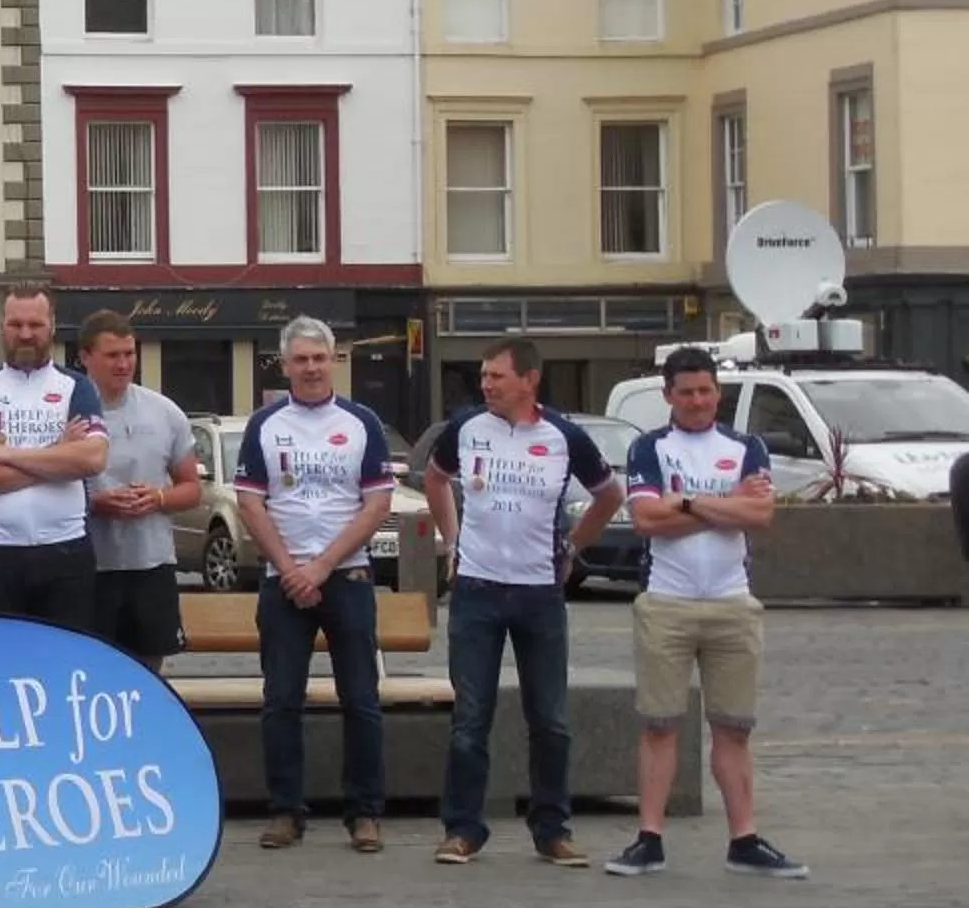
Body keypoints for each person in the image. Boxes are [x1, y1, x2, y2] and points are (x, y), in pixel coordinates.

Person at [423, 337, 625, 867]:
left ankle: (552, 829)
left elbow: (610, 494)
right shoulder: (465, 430)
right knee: (470, 718)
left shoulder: (564, 436)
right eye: (483, 376)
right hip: (477, 591)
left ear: (529, 380)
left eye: (496, 376)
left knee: (550, 719)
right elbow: (435, 478)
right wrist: (452, 540)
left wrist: (574, 546)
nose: (485, 384)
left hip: (539, 593)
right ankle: (463, 828)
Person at [611, 347, 804, 878]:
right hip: (667, 601)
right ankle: (648, 838)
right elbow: (647, 519)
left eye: (706, 391)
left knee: (734, 728)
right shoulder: (649, 449)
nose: (698, 401)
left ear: (717, 393)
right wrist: (722, 505)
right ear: (668, 396)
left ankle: (744, 839)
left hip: (731, 601)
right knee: (659, 724)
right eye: (687, 392)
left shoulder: (746, 446)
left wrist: (688, 502)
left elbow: (760, 513)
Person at [234, 318, 398, 854]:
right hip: (283, 582)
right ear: (284, 365)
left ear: (334, 362)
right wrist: (290, 567)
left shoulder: (361, 422)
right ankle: (286, 810)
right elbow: (250, 502)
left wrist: (322, 566)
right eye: (300, 360)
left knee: (362, 700)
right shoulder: (264, 424)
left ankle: (365, 813)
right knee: (280, 700)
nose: (310, 368)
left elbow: (377, 503)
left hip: (346, 577)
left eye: (319, 359)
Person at [0, 287, 109, 634]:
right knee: (1, 663)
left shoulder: (77, 387)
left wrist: (6, 455)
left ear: (52, 327)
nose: (25, 334)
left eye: (35, 324)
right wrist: (57, 454)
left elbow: (92, 458)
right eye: (16, 324)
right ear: (1, 328)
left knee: (65, 661)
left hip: (66, 550)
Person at [78, 310, 202, 676]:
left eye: (129, 354)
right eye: (112, 355)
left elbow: (192, 489)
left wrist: (158, 498)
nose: (123, 363)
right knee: (90, 669)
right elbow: (45, 488)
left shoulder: (164, 413)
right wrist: (95, 503)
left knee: (148, 671)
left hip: (151, 564)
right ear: (86, 357)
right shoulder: (69, 412)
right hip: (90, 567)